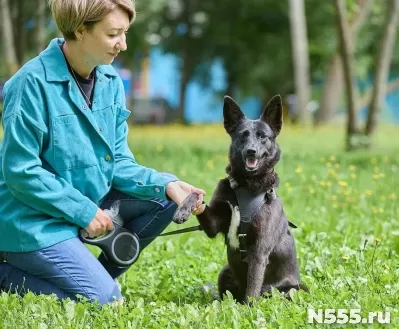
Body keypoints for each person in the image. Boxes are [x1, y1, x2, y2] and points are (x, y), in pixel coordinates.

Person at [0, 0, 206, 306]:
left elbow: (118, 162)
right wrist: (83, 211)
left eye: (124, 33)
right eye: (113, 34)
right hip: (32, 220)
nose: (123, 44)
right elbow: (20, 170)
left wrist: (167, 184)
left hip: (87, 205)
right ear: (80, 31)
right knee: (105, 302)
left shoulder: (110, 82)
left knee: (164, 196)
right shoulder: (29, 84)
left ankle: (95, 280)